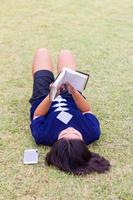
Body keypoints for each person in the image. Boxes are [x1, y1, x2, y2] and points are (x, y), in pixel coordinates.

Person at [29, 48, 110, 175]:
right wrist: (74, 91)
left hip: (43, 98)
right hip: (70, 96)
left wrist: (51, 95)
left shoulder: (42, 136)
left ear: (56, 144)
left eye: (63, 134)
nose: (69, 129)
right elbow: (87, 110)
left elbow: (38, 114)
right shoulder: (92, 132)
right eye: (76, 134)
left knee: (41, 52)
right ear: (84, 144)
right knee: (65, 54)